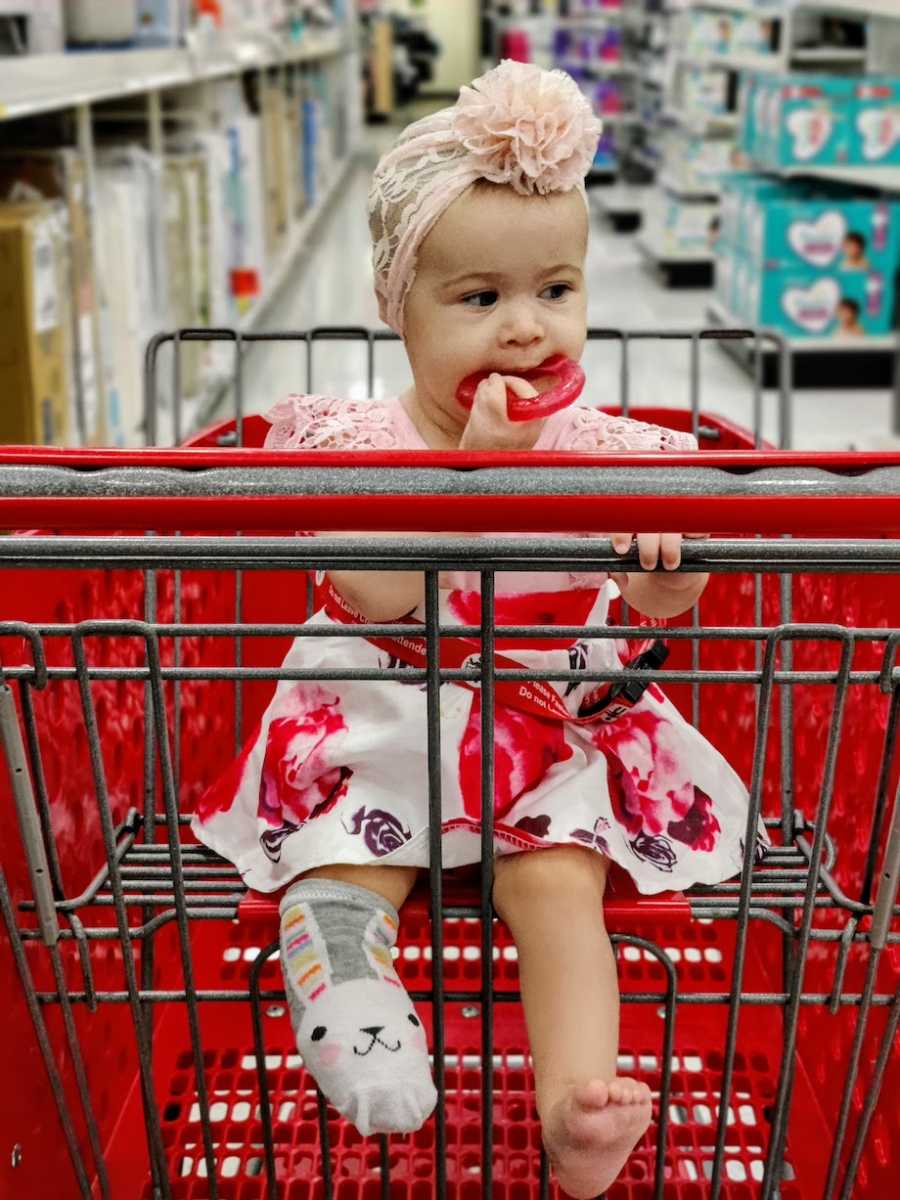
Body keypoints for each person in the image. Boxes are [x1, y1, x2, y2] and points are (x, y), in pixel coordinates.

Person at [192, 60, 767, 1199]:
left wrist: (662, 590)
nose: (525, 328)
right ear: (399, 309)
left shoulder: (606, 455)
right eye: (478, 300)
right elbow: (376, 601)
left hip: (541, 728)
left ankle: (577, 1108)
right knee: (349, 847)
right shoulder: (357, 446)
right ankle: (345, 975)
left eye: (556, 290)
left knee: (561, 884)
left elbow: (638, 625)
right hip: (378, 720)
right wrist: (470, 478)